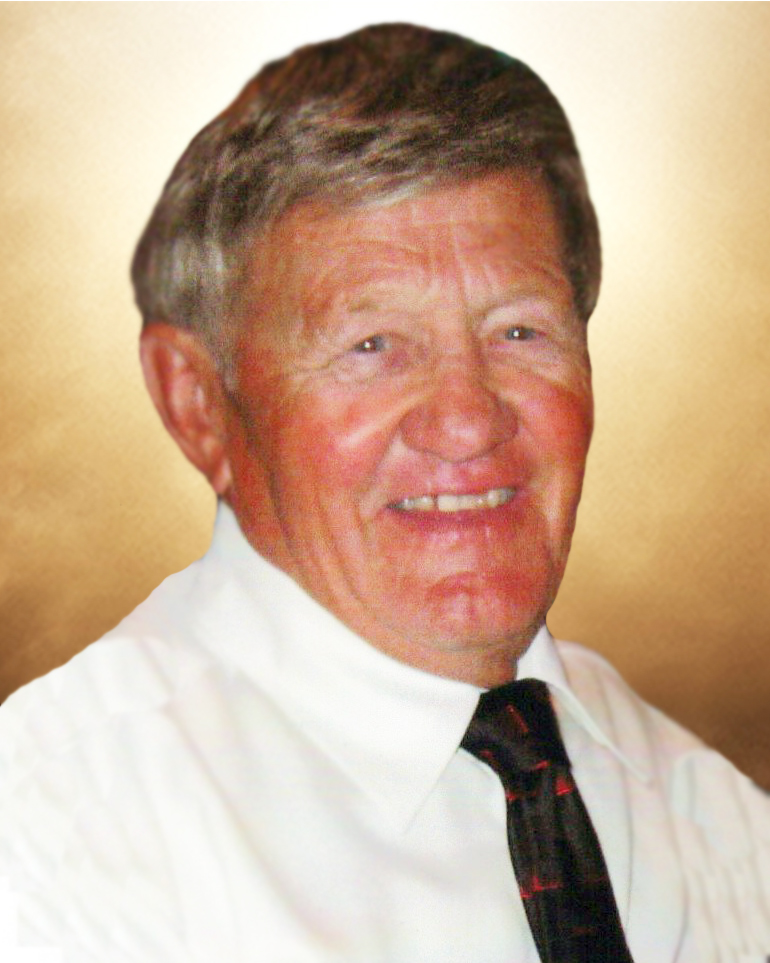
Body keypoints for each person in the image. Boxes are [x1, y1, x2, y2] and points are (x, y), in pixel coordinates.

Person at [0, 22, 768, 962]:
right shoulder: (52, 839)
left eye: (520, 331)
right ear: (198, 403)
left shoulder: (712, 818)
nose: (469, 421)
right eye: (372, 346)